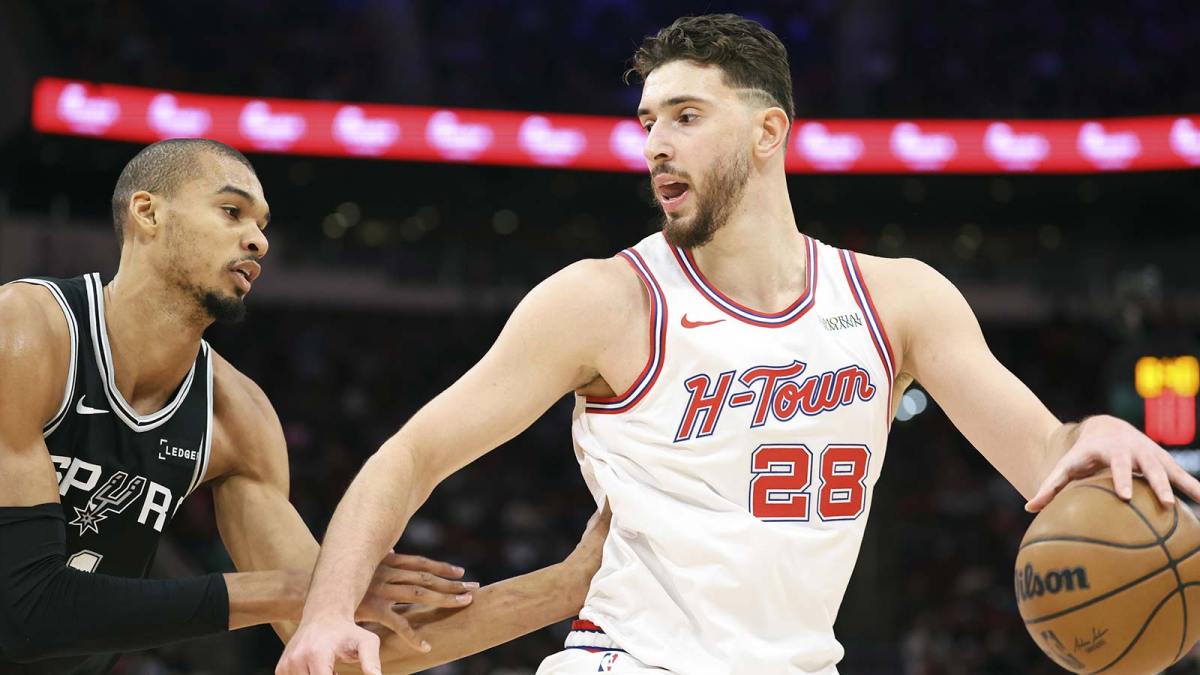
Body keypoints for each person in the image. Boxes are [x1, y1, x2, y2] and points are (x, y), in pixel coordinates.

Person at [276, 14, 1200, 675]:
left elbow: (1042, 452)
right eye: (647, 123)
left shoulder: (899, 299)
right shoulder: (606, 300)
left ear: (768, 132)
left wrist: (1093, 431)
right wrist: (325, 612)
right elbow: (411, 454)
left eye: (686, 116)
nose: (656, 145)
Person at [0, 138, 608, 675]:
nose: (258, 240)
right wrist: (304, 590)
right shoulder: (26, 332)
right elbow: (25, 613)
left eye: (262, 224)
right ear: (147, 212)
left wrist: (567, 585)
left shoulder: (236, 416)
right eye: (232, 211)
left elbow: (342, 647)